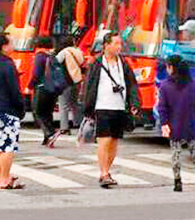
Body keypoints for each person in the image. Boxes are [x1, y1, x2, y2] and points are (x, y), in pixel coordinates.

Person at [82, 32, 141, 188]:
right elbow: (89, 86)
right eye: (115, 44)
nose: (119, 47)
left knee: (114, 142)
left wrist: (134, 102)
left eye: (120, 44)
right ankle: (103, 173)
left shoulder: (123, 63)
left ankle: (107, 170)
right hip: (102, 106)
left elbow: (132, 84)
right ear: (106, 45)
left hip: (119, 106)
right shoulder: (97, 63)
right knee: (104, 140)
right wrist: (88, 108)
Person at [156, 55, 195, 192]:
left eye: (167, 66)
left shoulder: (165, 86)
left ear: (171, 67)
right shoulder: (193, 84)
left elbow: (162, 107)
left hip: (174, 126)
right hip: (190, 126)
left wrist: (164, 123)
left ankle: (178, 182)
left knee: (175, 154)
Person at [0, 32, 25, 189]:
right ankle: (5, 179)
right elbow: (14, 90)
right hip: (8, 108)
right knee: (8, 146)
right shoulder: (8, 65)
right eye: (10, 43)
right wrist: (21, 107)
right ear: (3, 46)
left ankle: (0, 175)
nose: (13, 45)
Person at [29, 36, 61, 147]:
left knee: (37, 112)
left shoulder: (40, 56)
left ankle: (50, 133)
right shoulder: (53, 56)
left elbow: (36, 74)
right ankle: (47, 139)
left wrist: (30, 86)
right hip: (53, 89)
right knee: (47, 113)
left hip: (42, 88)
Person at [55, 35, 85, 135]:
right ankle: (79, 123)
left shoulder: (64, 52)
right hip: (76, 80)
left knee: (63, 105)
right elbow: (82, 63)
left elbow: (55, 63)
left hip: (65, 81)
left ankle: (64, 127)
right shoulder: (79, 51)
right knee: (74, 103)